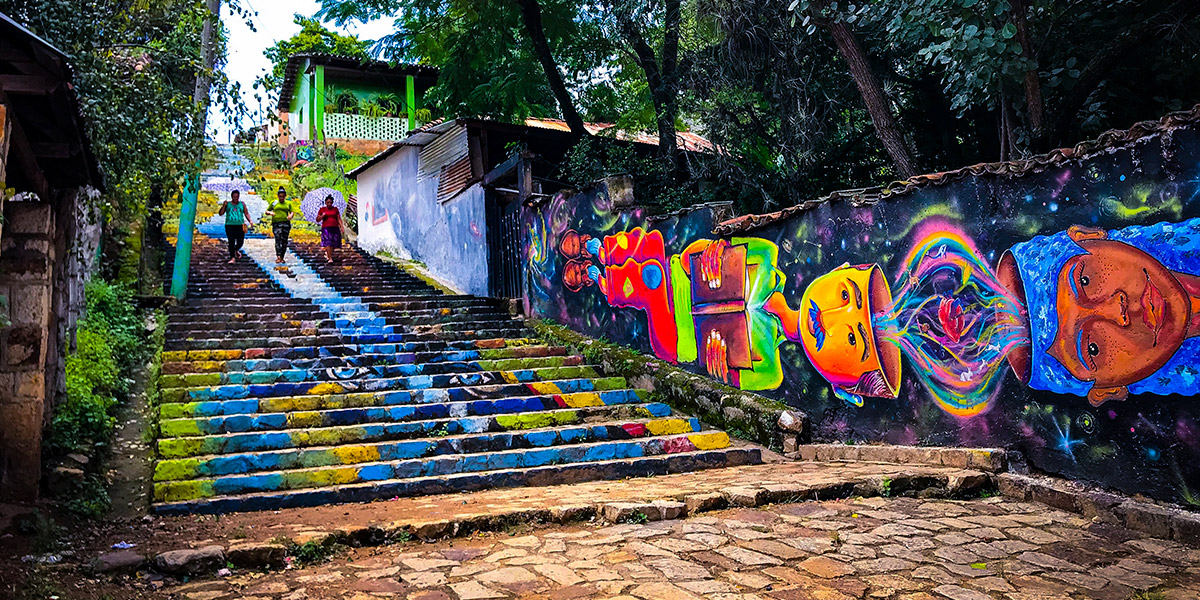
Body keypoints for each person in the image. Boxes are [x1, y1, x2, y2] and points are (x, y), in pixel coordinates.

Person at [218, 190, 253, 263]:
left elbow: (246, 213)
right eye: (234, 197)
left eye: (237, 197)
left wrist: (250, 221)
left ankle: (236, 250)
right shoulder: (228, 204)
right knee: (231, 241)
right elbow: (220, 213)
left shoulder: (242, 204)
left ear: (239, 197)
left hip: (240, 225)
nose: (235, 198)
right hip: (229, 225)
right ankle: (232, 258)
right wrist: (224, 206)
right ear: (232, 197)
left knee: (240, 241)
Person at [264, 186, 294, 263]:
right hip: (276, 223)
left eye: (283, 196)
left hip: (285, 223)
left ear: (285, 196)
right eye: (280, 196)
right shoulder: (274, 203)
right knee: (278, 239)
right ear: (278, 196)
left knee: (284, 240)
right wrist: (270, 213)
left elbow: (292, 211)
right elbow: (267, 211)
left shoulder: (288, 203)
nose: (281, 198)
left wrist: (290, 216)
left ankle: (282, 256)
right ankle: (278, 256)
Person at [316, 195, 344, 263]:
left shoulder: (335, 209)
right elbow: (317, 219)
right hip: (326, 228)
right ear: (325, 202)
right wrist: (322, 215)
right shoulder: (322, 209)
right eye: (328, 202)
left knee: (334, 243)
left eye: (330, 202)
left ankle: (328, 254)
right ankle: (330, 258)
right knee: (328, 242)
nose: (329, 204)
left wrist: (341, 226)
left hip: (335, 227)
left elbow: (338, 218)